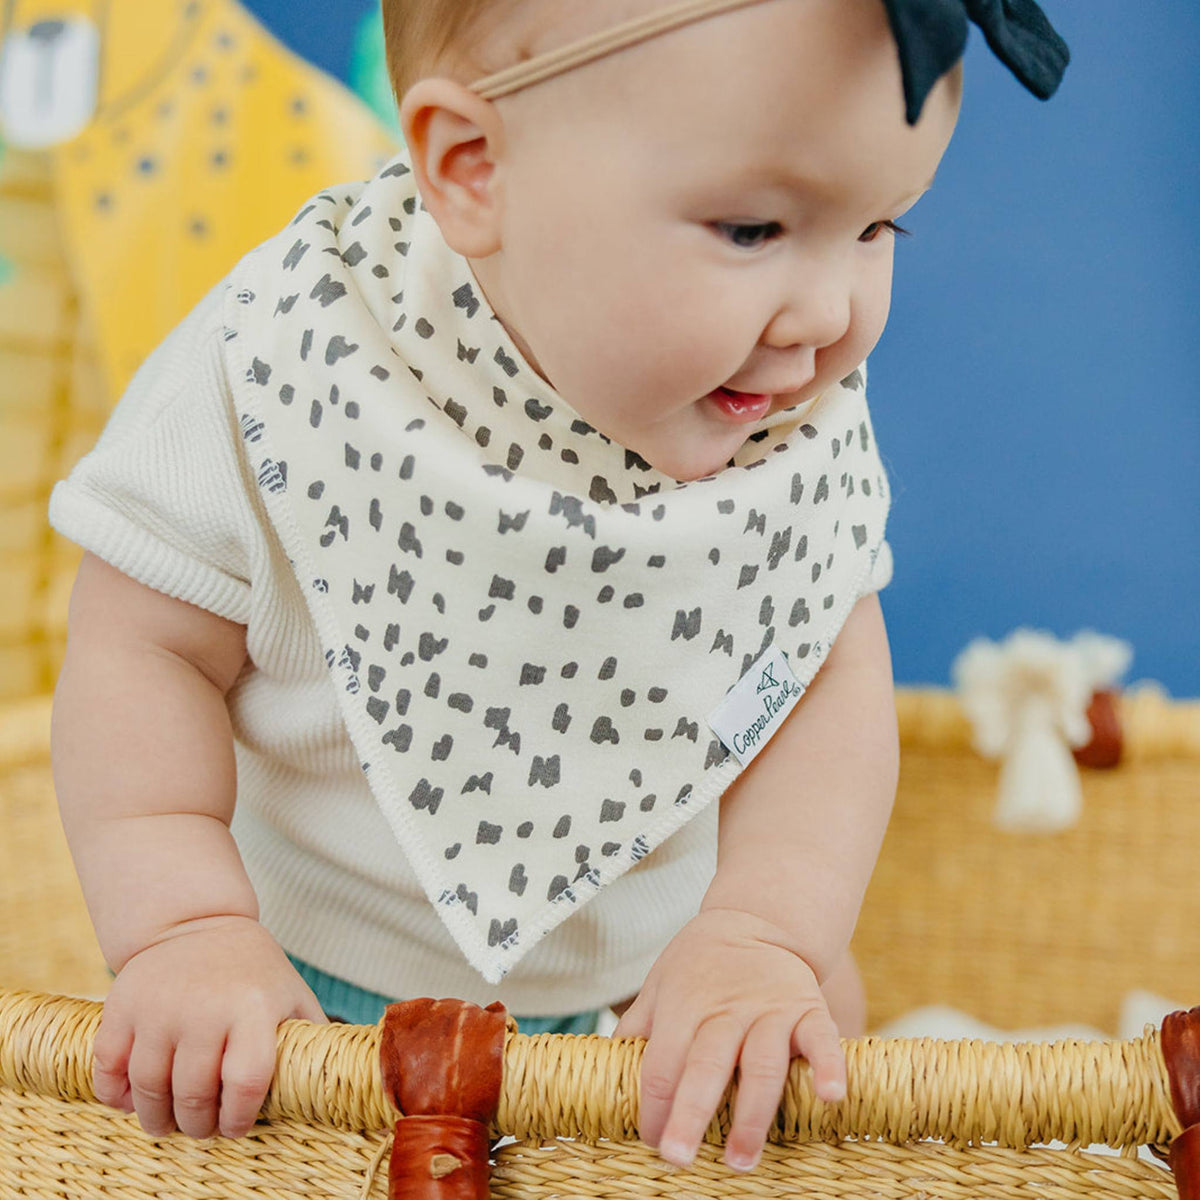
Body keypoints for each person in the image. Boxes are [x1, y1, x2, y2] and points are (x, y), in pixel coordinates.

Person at [48, 0, 1068, 1176]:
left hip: (659, 1003)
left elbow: (821, 667)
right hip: (301, 993)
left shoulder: (782, 424)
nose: (831, 315)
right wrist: (185, 925)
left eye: (879, 227)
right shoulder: (295, 360)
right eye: (752, 229)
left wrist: (763, 932)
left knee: (810, 1020)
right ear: (472, 168)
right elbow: (146, 646)